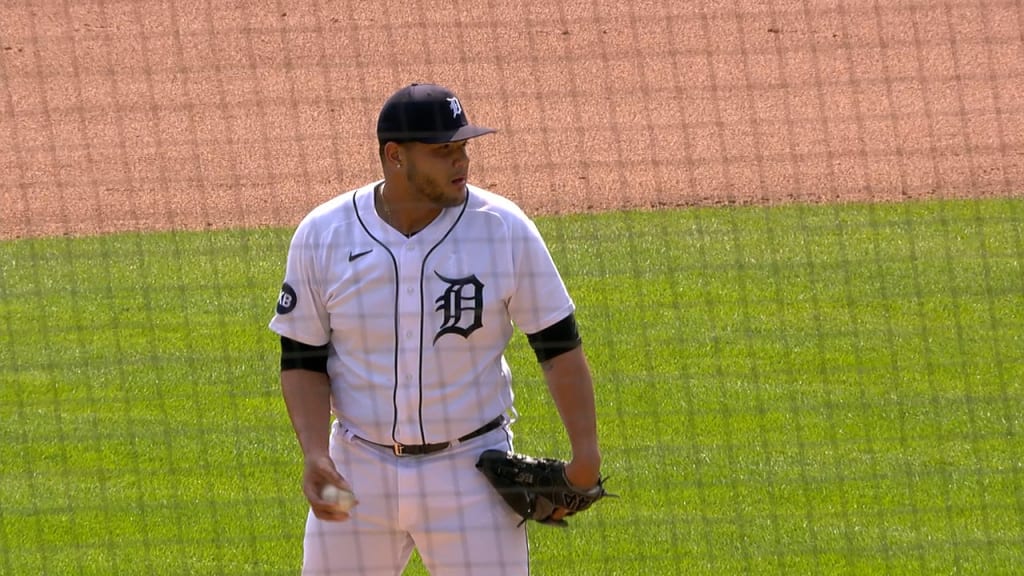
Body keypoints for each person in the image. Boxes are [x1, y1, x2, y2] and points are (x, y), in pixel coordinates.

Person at [269, 83, 602, 576]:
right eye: (443, 150)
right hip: (355, 474)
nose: (461, 161)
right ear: (395, 155)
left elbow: (558, 349)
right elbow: (301, 359)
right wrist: (316, 454)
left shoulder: (503, 228)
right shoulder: (324, 234)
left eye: (463, 147)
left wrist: (586, 459)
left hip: (470, 475)